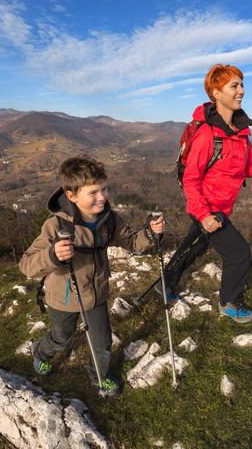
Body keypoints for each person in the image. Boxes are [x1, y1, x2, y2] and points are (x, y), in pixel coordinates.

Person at [158, 63, 252, 323]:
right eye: (234, 86)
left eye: (242, 85)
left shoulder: (240, 133)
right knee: (239, 254)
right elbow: (190, 180)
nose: (241, 91)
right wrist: (203, 215)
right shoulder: (206, 136)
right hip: (208, 210)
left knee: (194, 246)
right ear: (216, 92)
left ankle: (164, 284)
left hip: (218, 209)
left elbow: (247, 169)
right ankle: (229, 302)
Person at [19, 156, 164, 396]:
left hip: (95, 293)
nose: (103, 196)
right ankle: (41, 353)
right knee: (61, 335)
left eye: (104, 189)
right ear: (71, 195)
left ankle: (99, 376)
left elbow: (131, 242)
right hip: (63, 298)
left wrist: (150, 233)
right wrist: (53, 255)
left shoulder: (109, 219)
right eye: (94, 192)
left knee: (102, 343)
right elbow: (26, 265)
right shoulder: (56, 225)